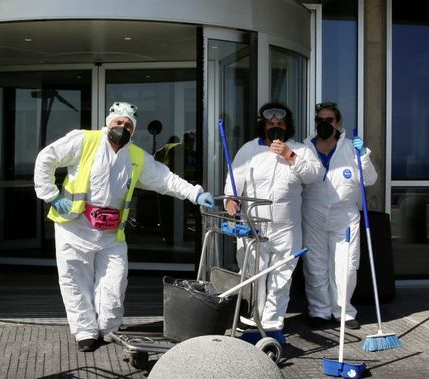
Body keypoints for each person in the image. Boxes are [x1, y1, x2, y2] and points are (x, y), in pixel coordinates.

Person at [34, 101, 215, 352]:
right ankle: (85, 331)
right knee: (75, 281)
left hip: (111, 232)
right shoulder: (84, 141)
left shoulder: (137, 156)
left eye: (128, 124)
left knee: (115, 281)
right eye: (118, 122)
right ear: (109, 123)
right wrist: (51, 195)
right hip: (74, 227)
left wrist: (195, 195)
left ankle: (108, 328)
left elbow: (166, 179)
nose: (123, 127)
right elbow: (47, 157)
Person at [223, 102, 322, 335]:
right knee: (254, 275)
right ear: (263, 126)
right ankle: (254, 319)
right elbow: (234, 178)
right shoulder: (249, 149)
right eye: (270, 124)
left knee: (282, 276)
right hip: (254, 225)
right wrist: (231, 199)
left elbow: (315, 175)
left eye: (280, 124)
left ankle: (272, 324)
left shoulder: (301, 149)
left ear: (287, 127)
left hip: (287, 227)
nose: (275, 127)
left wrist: (290, 155)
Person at [302, 102, 378, 330]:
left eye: (329, 121)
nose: (325, 125)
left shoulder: (351, 148)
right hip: (313, 212)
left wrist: (363, 154)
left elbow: (370, 179)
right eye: (320, 121)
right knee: (315, 265)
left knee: (345, 266)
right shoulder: (305, 147)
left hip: (344, 215)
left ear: (338, 123)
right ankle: (320, 311)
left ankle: (343, 311)